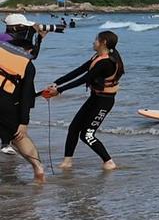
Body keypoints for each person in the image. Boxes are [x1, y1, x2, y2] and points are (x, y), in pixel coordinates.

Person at [44, 31, 125, 171]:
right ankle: (67, 161)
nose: (93, 42)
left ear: (104, 42)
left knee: (87, 134)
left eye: (96, 39)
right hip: (95, 98)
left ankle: (109, 162)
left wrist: (60, 90)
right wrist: (57, 83)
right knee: (73, 128)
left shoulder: (106, 62)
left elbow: (85, 79)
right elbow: (80, 70)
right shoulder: (98, 56)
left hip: (104, 102)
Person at [0, 38, 45, 182]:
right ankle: (38, 168)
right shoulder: (28, 65)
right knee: (19, 136)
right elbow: (26, 96)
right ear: (28, 51)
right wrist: (24, 122)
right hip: (5, 103)